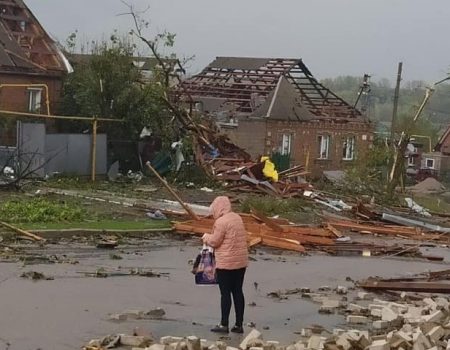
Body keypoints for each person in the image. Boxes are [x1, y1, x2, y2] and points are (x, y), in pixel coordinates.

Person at [202, 196, 249, 334]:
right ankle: (239, 325)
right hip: (241, 262)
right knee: (238, 291)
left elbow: (215, 241)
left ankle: (224, 324)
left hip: (226, 263)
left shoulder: (221, 222)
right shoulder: (237, 218)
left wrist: (205, 237)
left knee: (225, 293)